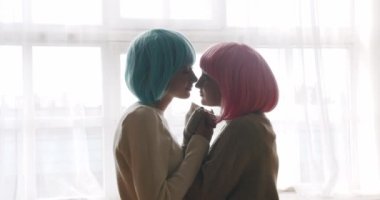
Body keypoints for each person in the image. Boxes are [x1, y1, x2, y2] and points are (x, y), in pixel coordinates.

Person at [113, 29, 214, 200]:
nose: (195, 78)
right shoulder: (143, 118)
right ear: (161, 71)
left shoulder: (147, 114)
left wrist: (191, 136)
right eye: (185, 70)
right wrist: (200, 144)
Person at [185, 42, 280, 200]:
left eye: (206, 77)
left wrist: (191, 136)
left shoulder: (243, 129)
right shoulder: (257, 124)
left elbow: (198, 195)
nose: (198, 84)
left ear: (231, 82)